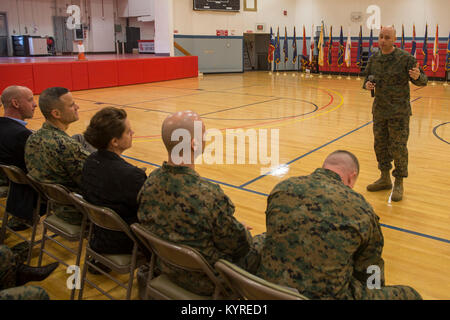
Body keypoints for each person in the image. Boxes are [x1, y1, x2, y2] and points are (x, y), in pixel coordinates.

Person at [257, 150, 422, 300]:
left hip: (269, 290)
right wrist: (374, 291)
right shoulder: (361, 208)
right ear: (352, 177)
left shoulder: (283, 188)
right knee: (411, 295)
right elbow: (370, 268)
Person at [137, 110, 263, 296]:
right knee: (264, 242)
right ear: (194, 144)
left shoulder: (149, 183)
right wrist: (239, 229)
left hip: (165, 267)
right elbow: (240, 248)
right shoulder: (208, 195)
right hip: (208, 282)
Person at [363, 26, 428, 201]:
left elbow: (423, 80)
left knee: (398, 148)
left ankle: (399, 182)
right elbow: (366, 79)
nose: (383, 40)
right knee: (381, 146)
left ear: (394, 40)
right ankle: (385, 178)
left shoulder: (405, 58)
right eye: (381, 36)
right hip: (380, 111)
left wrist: (416, 77)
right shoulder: (374, 58)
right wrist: (367, 85)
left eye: (387, 37)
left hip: (399, 113)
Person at [81, 107, 147, 256]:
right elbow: (149, 212)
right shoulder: (131, 175)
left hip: (98, 234)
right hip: (126, 242)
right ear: (115, 142)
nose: (133, 133)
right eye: (128, 131)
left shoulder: (89, 161)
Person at [25, 87, 90, 225]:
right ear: (56, 113)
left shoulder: (32, 138)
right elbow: (92, 183)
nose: (77, 107)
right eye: (72, 105)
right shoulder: (67, 146)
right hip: (77, 210)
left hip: (53, 205)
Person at [0, 86, 41, 231]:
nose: (35, 104)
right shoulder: (21, 135)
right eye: (30, 100)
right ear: (16, 104)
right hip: (28, 192)